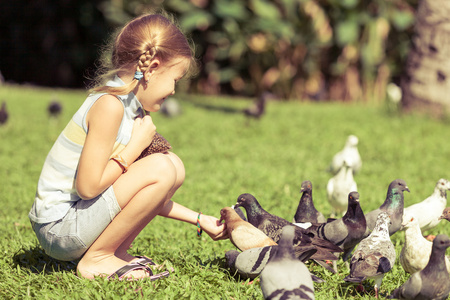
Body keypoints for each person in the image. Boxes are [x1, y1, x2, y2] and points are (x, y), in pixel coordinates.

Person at [28, 12, 228, 280]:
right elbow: (88, 187)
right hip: (59, 229)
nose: (173, 91)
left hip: (77, 221)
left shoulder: (130, 108)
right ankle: (96, 260)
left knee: (173, 166)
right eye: (175, 80)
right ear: (153, 67)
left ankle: (114, 252)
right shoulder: (109, 106)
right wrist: (135, 148)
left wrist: (199, 219)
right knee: (162, 167)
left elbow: (142, 194)